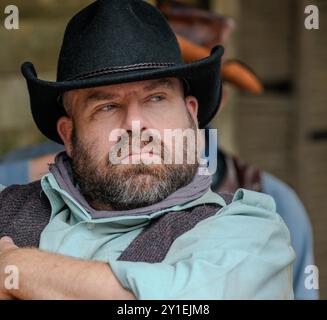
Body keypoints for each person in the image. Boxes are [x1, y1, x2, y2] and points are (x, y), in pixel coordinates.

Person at [0, 0, 294, 299]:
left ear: (191, 116)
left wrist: (20, 268)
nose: (135, 124)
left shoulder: (251, 233)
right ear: (69, 134)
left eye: (156, 98)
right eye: (107, 106)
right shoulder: (6, 206)